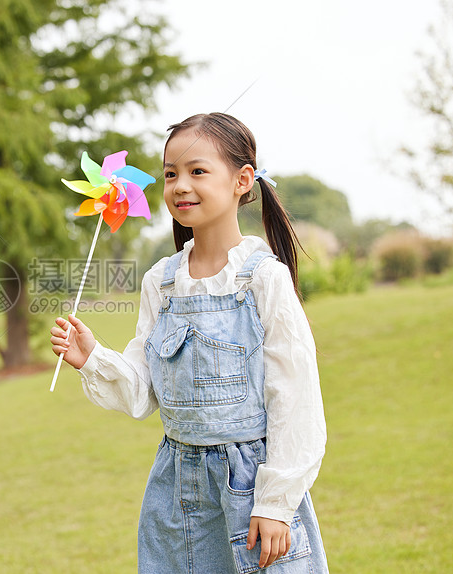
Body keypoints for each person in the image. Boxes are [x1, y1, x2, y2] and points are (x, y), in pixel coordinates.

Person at [49, 112, 329, 573]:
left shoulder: (263, 279)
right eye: (170, 174)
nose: (180, 186)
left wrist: (276, 502)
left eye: (197, 171)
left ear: (242, 180)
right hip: (175, 491)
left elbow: (297, 399)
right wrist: (92, 358)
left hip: (251, 489)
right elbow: (145, 392)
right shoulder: (161, 282)